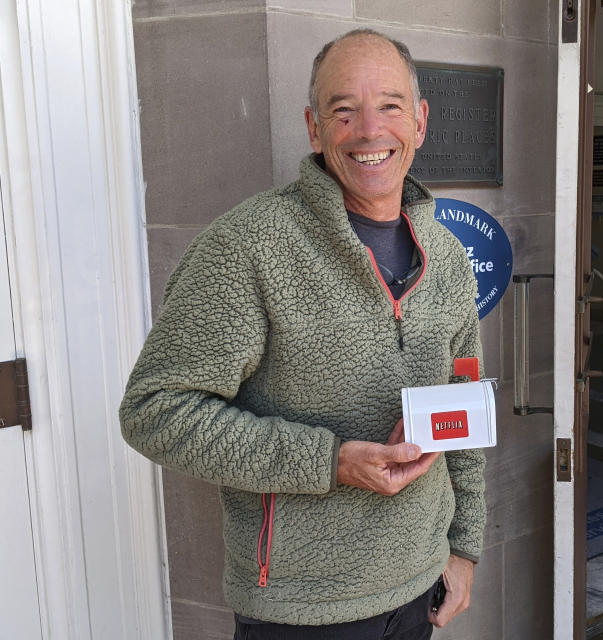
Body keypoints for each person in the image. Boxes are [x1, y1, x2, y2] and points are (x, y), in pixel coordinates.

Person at [119, 29, 485, 639]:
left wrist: (463, 547)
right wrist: (328, 462)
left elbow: (463, 406)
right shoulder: (247, 247)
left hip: (420, 584)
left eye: (390, 106)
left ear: (419, 121)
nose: (370, 130)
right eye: (345, 111)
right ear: (315, 129)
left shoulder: (446, 256)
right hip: (300, 610)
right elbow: (154, 411)